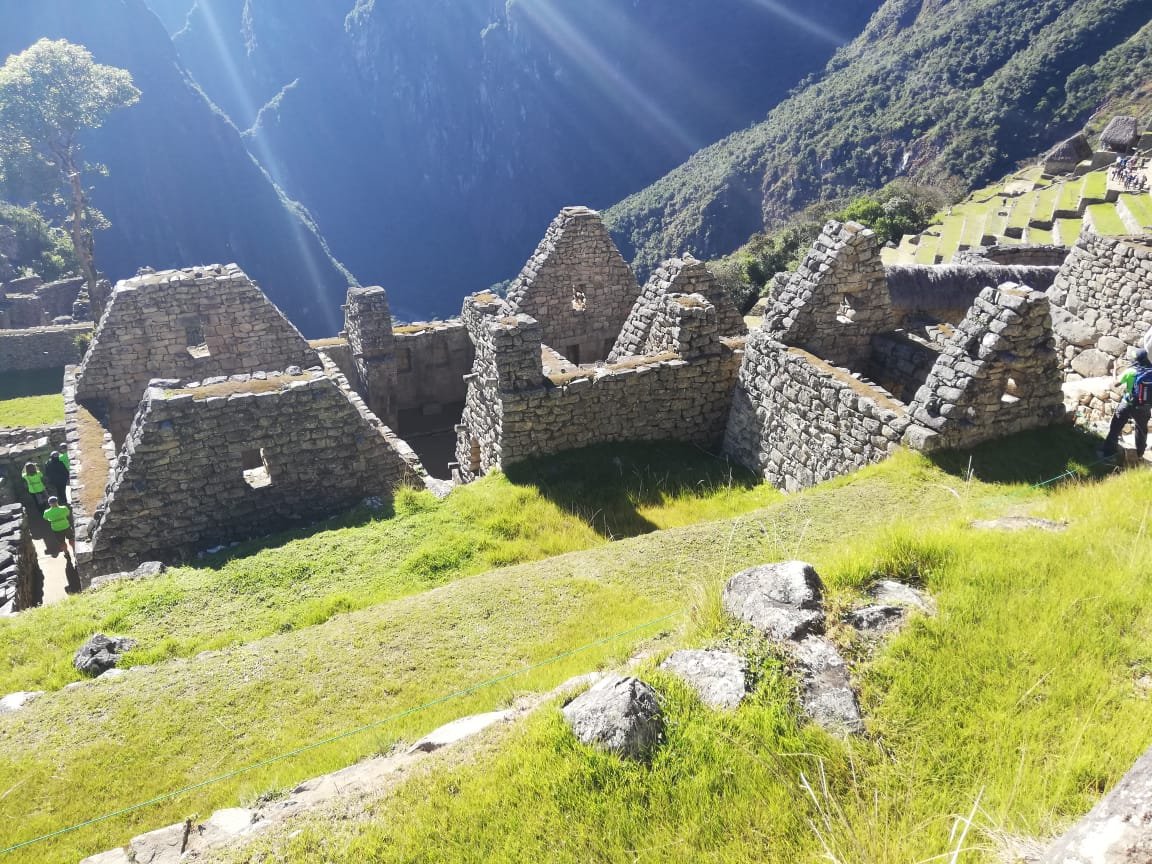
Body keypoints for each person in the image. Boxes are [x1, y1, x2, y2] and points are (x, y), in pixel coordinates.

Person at [1101, 349, 1152, 460]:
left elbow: (1115, 384)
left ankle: (1108, 452)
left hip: (1128, 403)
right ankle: (1139, 454)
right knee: (1141, 429)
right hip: (1145, 406)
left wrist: (1114, 371)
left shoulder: (1131, 371)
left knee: (1116, 426)